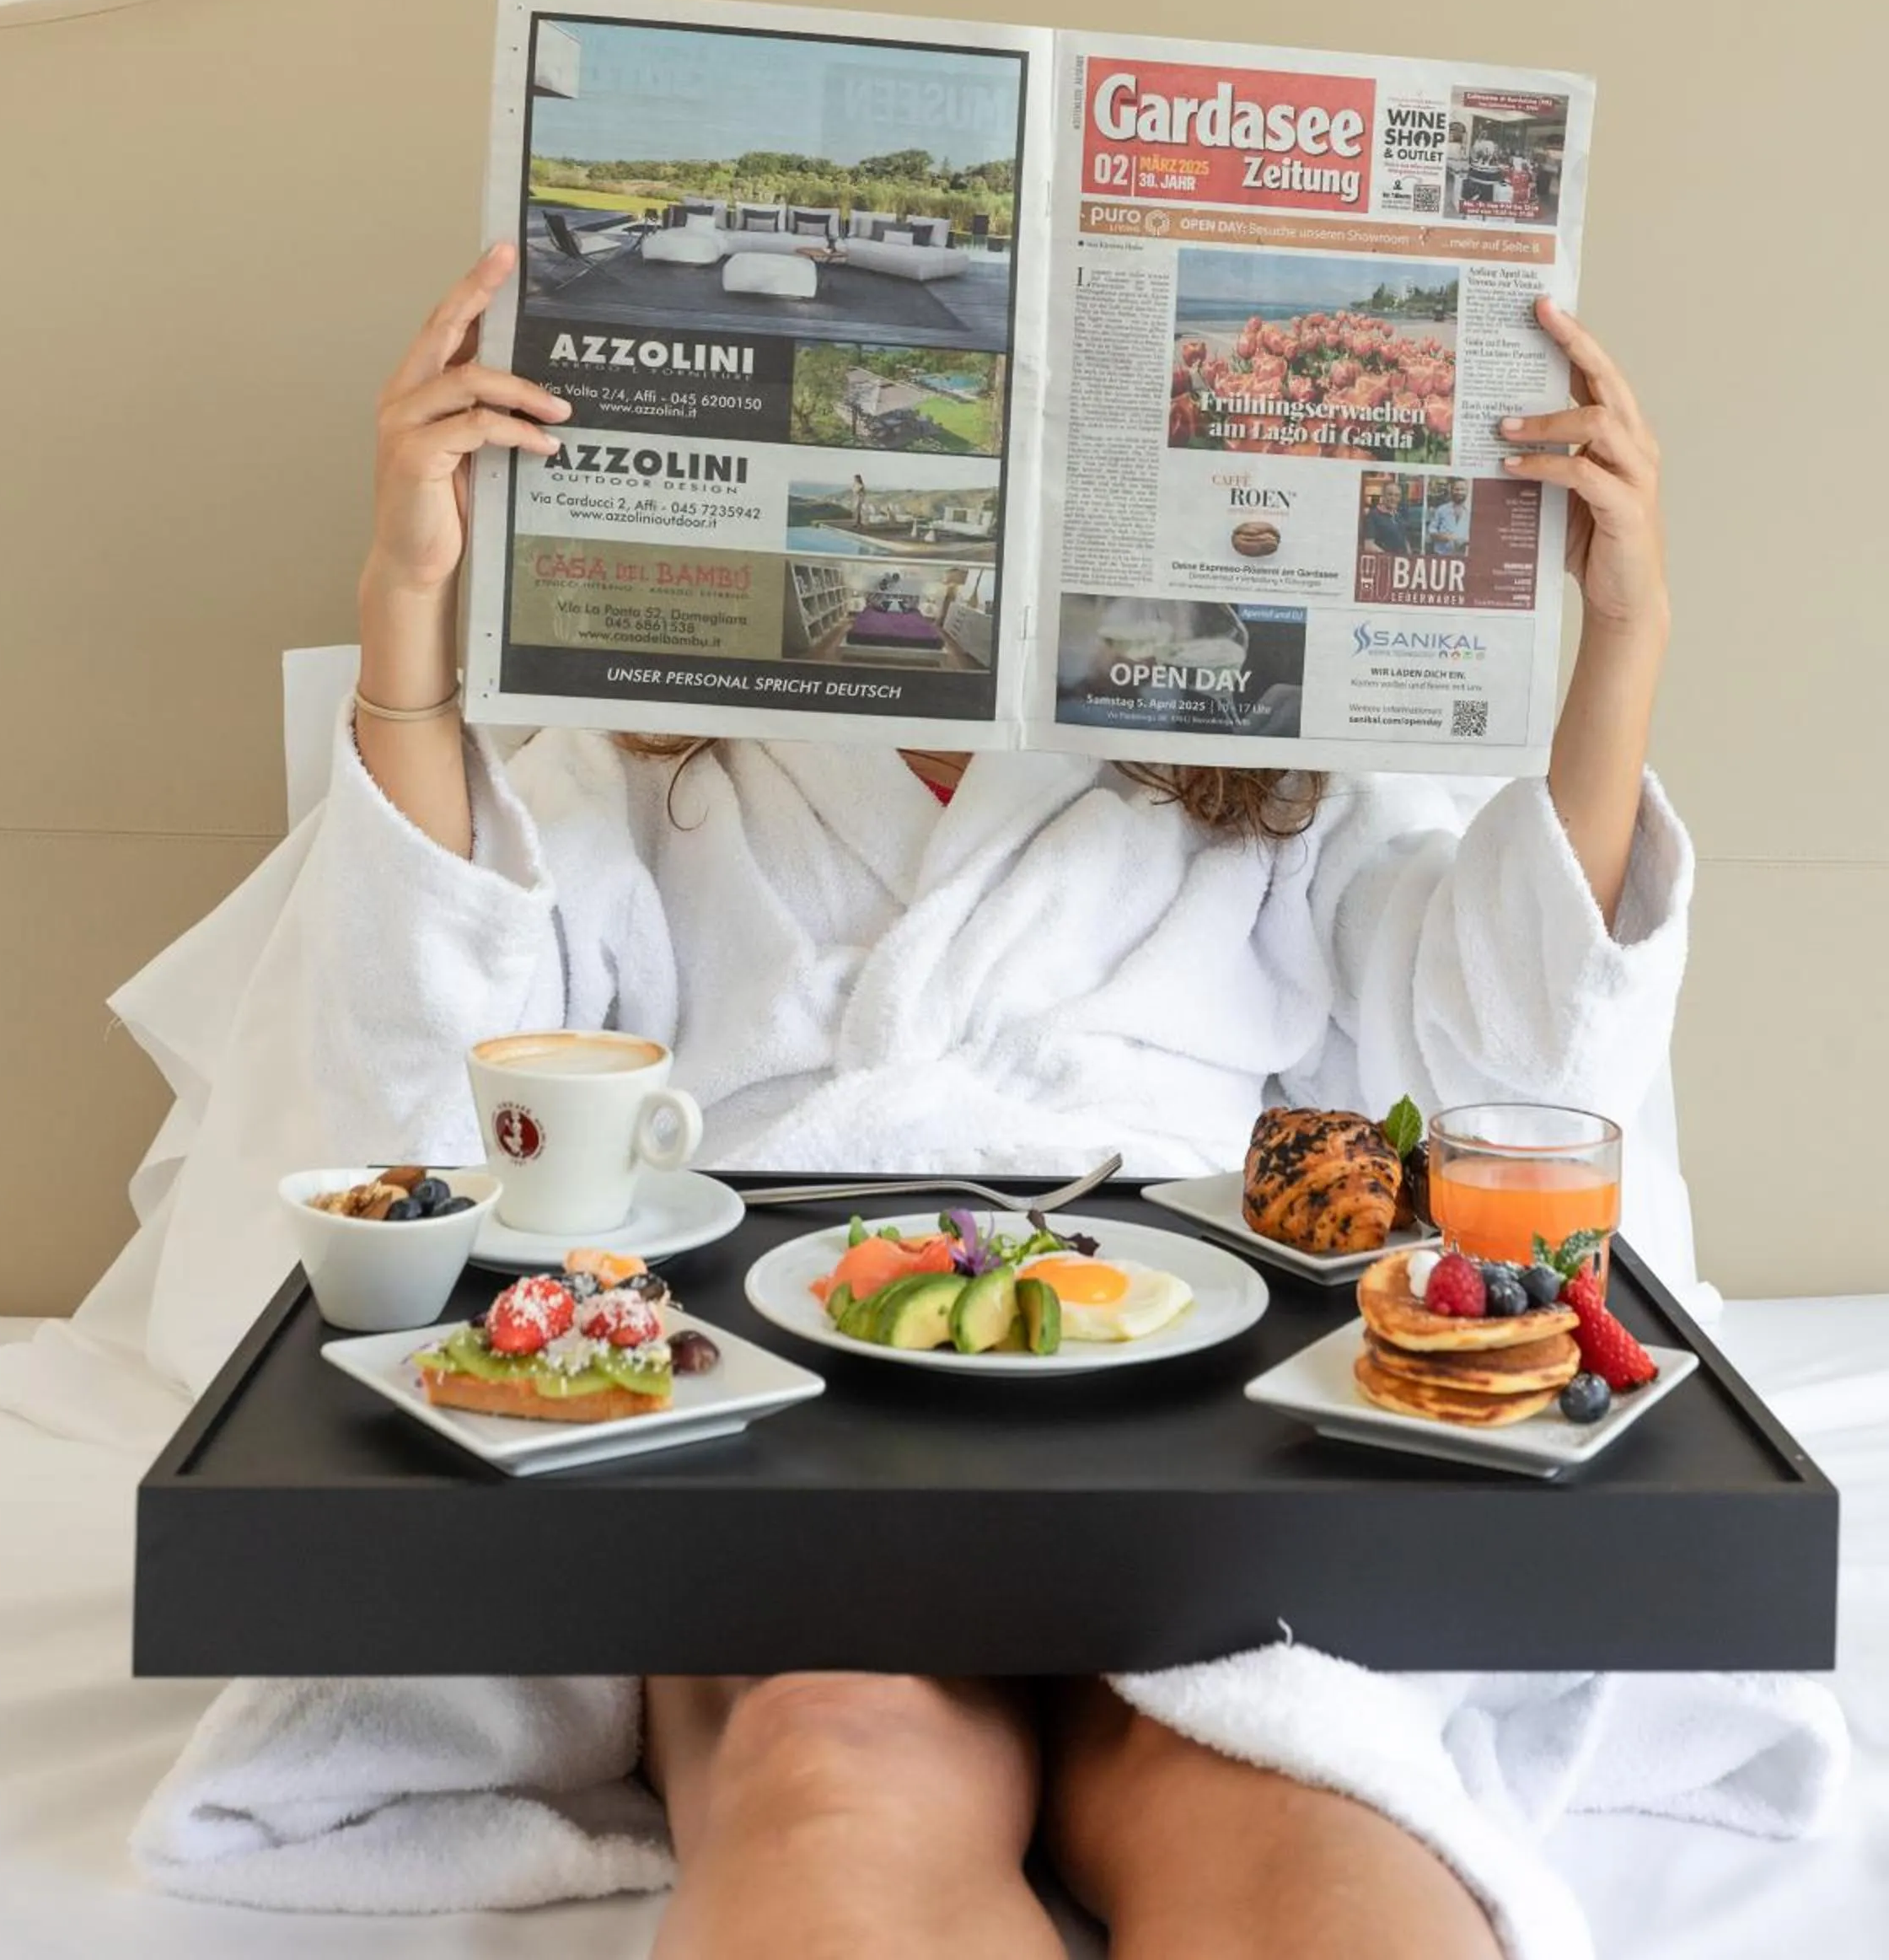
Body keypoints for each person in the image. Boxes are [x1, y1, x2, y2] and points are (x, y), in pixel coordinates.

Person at [339, 243, 1678, 1959]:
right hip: (787, 1422)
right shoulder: (654, 738)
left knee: (1294, 1821)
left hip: (1181, 1432)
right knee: (832, 1757)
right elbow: (444, 1077)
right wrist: (408, 597)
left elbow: (1510, 1070)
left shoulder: (1278, 756)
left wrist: (1619, 633)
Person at [1362, 474, 1414, 557]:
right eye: (1390, 494)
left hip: (1401, 563)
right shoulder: (1373, 515)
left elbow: (1405, 540)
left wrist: (1410, 558)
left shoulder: (1399, 516)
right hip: (1385, 563)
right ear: (1383, 496)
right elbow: (1368, 545)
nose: (1393, 498)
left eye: (1397, 495)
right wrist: (1389, 558)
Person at [1425, 476, 1473, 554]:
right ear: (1451, 490)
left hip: (1463, 556)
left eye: (1462, 490)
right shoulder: (1441, 510)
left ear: (1467, 492)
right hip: (1441, 555)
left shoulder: (1470, 512)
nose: (1459, 492)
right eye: (1457, 489)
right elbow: (1431, 531)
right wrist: (1443, 537)